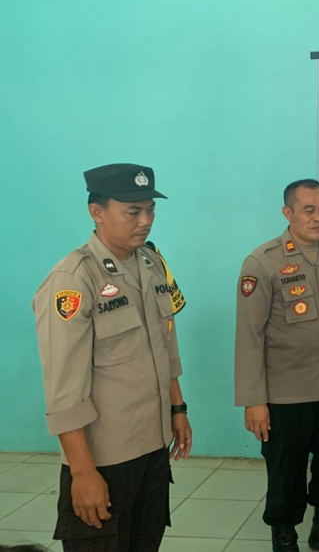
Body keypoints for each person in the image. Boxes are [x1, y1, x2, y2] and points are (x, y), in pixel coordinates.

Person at [33, 164, 193, 551]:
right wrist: (82, 473)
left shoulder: (152, 265)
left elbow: (165, 346)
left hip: (153, 446)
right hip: (104, 456)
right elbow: (64, 388)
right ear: (97, 212)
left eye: (150, 211)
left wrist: (178, 408)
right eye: (133, 212)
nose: (145, 221)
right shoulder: (73, 280)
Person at [234, 179, 319, 552]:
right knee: (286, 472)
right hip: (285, 394)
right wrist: (253, 400)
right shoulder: (262, 262)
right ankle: (284, 537)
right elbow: (249, 336)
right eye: (309, 210)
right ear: (288, 213)